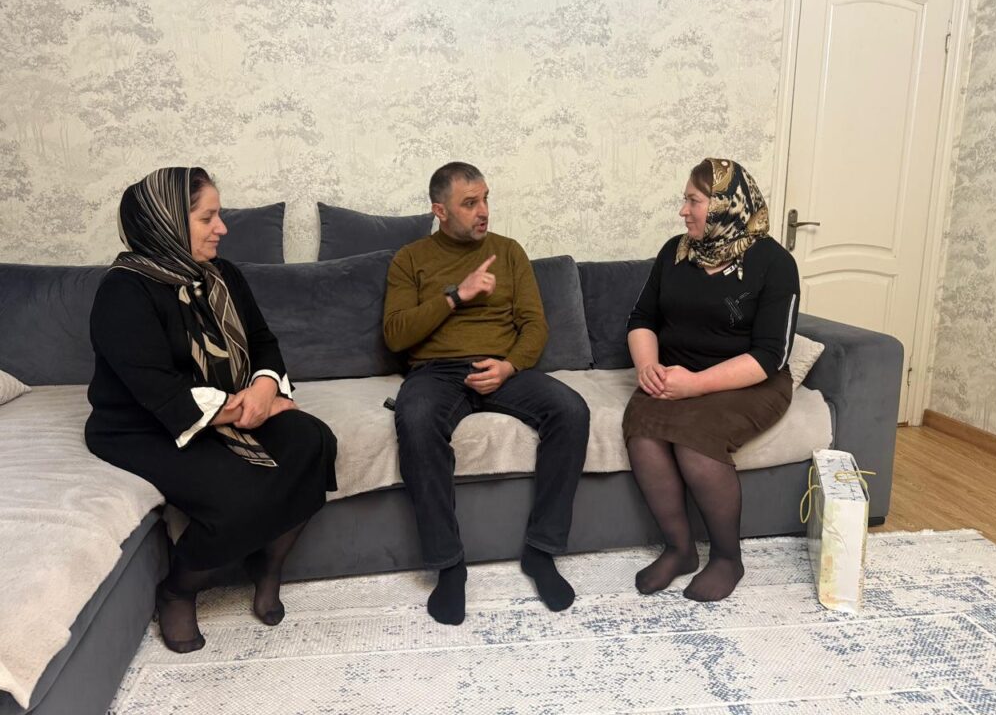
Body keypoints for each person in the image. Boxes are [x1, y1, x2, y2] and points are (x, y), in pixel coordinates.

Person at [85, 167, 338, 653]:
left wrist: (263, 387)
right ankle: (179, 589)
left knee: (313, 440)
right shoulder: (124, 292)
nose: (222, 228)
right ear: (165, 223)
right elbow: (157, 389)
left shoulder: (223, 275)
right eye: (208, 217)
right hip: (144, 426)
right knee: (239, 492)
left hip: (230, 407)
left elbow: (262, 342)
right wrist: (252, 409)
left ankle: (268, 563)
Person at [383, 161, 590, 625]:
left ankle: (540, 551)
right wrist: (456, 295)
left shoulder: (509, 252)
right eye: (469, 203)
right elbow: (396, 335)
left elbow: (535, 325)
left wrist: (509, 365)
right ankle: (449, 565)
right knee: (415, 419)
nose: (483, 211)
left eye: (485, 199)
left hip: (502, 366)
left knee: (571, 410)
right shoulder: (410, 259)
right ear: (440, 210)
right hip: (437, 372)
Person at [623, 158, 799, 602]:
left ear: (725, 205)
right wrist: (648, 366)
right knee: (643, 432)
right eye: (685, 200)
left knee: (695, 442)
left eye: (694, 201)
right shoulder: (675, 252)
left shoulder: (774, 263)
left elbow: (771, 355)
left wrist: (695, 385)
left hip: (749, 381)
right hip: (675, 372)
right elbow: (642, 318)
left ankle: (726, 558)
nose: (684, 211)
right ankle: (679, 550)